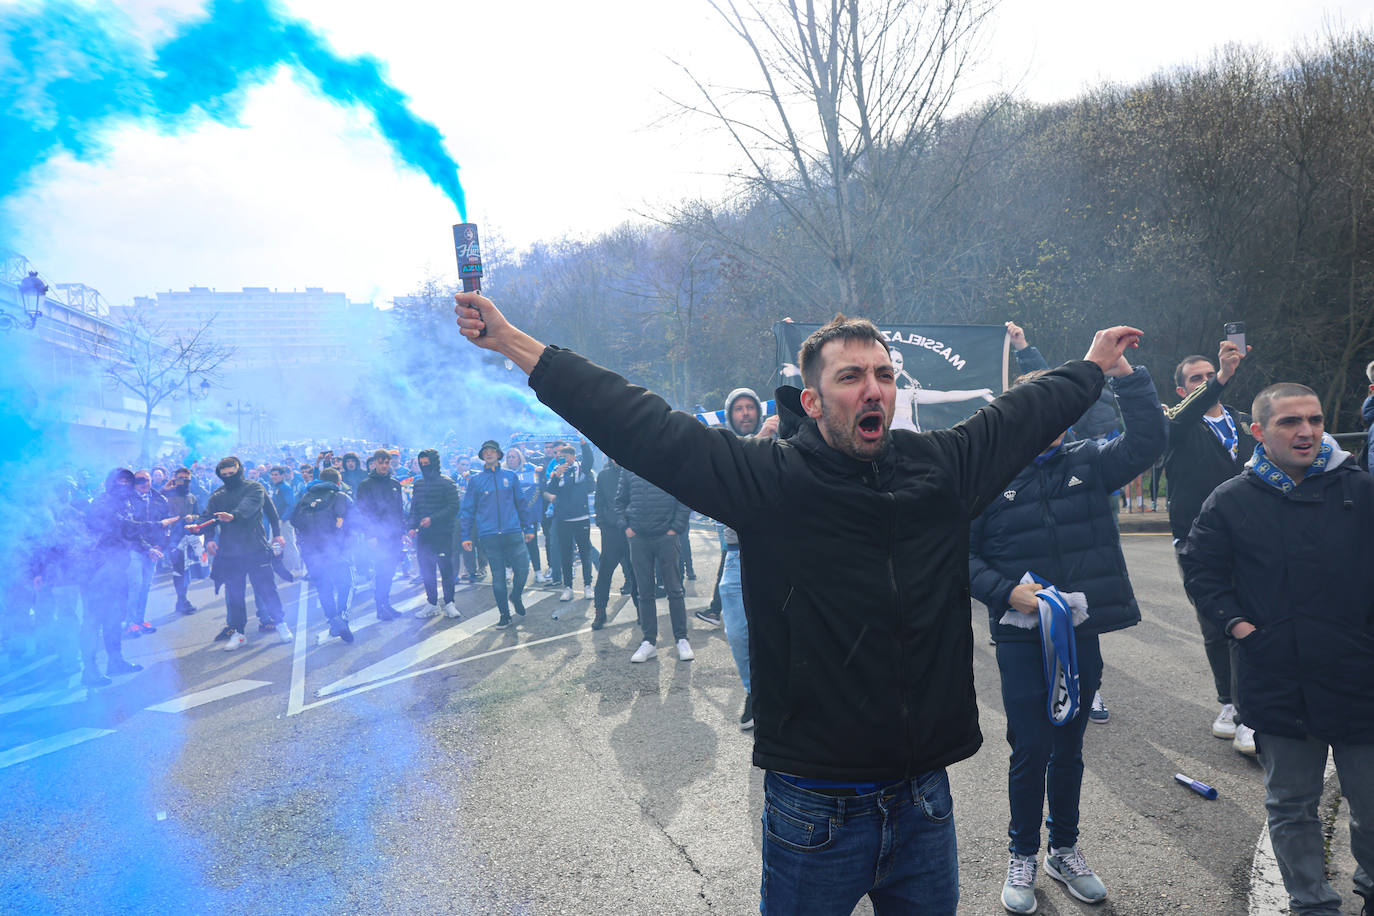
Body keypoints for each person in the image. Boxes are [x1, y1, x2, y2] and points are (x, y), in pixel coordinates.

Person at [453, 291, 1138, 914]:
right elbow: (642, 425)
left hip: (924, 800)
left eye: (884, 376)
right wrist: (517, 343)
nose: (874, 389)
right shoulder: (766, 480)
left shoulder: (939, 470)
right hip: (814, 809)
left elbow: (1020, 416)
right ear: (811, 401)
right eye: (851, 377)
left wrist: (1091, 367)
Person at [968, 358, 1166, 913]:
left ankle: (1065, 848)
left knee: (1069, 748)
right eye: (1038, 407)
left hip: (1079, 633)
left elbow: (1149, 438)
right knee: (1030, 746)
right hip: (1019, 635)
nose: (1049, 419)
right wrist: (1006, 591)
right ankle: (1022, 853)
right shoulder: (987, 474)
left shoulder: (1088, 460)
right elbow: (957, 554)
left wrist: (1129, 377)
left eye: (1058, 407)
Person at [1180, 383, 1374, 916]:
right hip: (1276, 677)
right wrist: (1240, 628)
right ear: (1259, 431)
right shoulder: (1231, 499)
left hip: (1360, 676)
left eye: (1313, 419)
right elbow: (1202, 572)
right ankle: (1310, 903)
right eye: (1290, 422)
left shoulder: (1362, 488)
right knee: (1290, 805)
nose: (1306, 431)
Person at [1162, 340, 1257, 754]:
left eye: (1208, 375)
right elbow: (1178, 422)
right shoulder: (1175, 421)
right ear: (1183, 391)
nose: (1204, 381)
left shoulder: (1246, 421)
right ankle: (1229, 705)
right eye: (1195, 379)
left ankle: (1255, 708)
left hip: (1253, 538)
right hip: (1200, 542)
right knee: (1218, 623)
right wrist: (1219, 378)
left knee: (1256, 618)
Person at [78, 469, 162, 686]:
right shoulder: (102, 503)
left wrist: (147, 549)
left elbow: (128, 534)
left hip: (116, 568)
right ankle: (89, 671)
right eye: (119, 481)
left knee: (115, 617)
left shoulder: (125, 503)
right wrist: (158, 525)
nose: (123, 485)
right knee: (93, 621)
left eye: (127, 481)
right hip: (95, 570)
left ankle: (115, 662)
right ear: (109, 483)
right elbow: (123, 527)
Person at [198, 456, 290, 650]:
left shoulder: (255, 488)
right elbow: (208, 518)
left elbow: (266, 511)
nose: (229, 477)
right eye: (225, 475)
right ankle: (239, 633)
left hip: (255, 548)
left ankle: (281, 623)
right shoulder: (218, 495)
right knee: (235, 595)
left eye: (232, 473)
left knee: (267, 589)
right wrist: (207, 538)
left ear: (239, 471)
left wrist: (277, 534)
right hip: (230, 553)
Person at [616, 465, 692, 662]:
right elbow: (620, 501)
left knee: (674, 590)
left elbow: (685, 497)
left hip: (666, 537)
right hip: (639, 538)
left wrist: (676, 528)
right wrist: (626, 527)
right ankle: (649, 641)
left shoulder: (669, 464)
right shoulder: (629, 468)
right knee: (644, 592)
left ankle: (682, 639)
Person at [460, 439, 538, 629]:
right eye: (485, 451)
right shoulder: (476, 481)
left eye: (492, 450)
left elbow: (521, 503)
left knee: (523, 569)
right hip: (489, 535)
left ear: (498, 454)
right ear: (482, 456)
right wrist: (466, 536)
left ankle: (516, 596)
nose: (489, 453)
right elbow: (467, 510)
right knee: (498, 577)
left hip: (512, 531)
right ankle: (505, 615)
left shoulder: (510, 477)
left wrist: (528, 528)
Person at [291, 466, 355, 642]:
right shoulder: (341, 496)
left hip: (312, 553)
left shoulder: (306, 497)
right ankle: (342, 617)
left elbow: (294, 520)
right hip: (337, 550)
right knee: (347, 584)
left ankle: (332, 619)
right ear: (338, 482)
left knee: (324, 587)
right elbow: (357, 521)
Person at [408, 448, 461, 619]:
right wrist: (411, 526)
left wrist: (433, 519)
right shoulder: (418, 484)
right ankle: (432, 603)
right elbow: (414, 509)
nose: (424, 467)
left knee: (446, 569)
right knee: (426, 570)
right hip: (424, 536)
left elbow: (454, 507)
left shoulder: (447, 483)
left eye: (427, 464)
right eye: (421, 464)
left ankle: (450, 603)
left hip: (443, 534)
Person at [355, 449, 406, 621]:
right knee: (381, 571)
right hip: (377, 536)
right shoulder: (365, 485)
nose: (384, 466)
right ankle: (380, 607)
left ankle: (386, 604)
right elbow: (363, 512)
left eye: (387, 462)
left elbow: (399, 510)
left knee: (390, 571)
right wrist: (370, 535)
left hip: (393, 534)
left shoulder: (395, 483)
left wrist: (402, 532)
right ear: (374, 463)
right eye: (381, 462)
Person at [544, 442, 596, 602]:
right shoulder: (557, 472)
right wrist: (557, 475)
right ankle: (568, 587)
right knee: (566, 554)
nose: (562, 460)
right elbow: (550, 491)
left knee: (585, 552)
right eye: (560, 458)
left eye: (565, 457)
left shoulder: (581, 469)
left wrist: (583, 443)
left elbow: (589, 459)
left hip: (581, 517)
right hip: (563, 519)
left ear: (573, 457)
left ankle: (588, 585)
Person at [590, 456, 637, 630]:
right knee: (604, 573)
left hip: (630, 531)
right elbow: (599, 501)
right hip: (610, 532)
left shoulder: (634, 473)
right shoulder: (603, 475)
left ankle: (642, 611)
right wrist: (601, 523)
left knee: (636, 572)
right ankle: (600, 611)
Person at [163, 467, 201, 614]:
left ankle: (182, 599)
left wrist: (194, 518)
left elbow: (199, 514)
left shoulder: (192, 497)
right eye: (180, 478)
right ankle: (181, 600)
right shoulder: (166, 496)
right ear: (174, 479)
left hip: (189, 537)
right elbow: (155, 510)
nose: (183, 481)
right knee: (179, 570)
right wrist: (164, 490)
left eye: (186, 479)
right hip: (173, 538)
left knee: (187, 571)